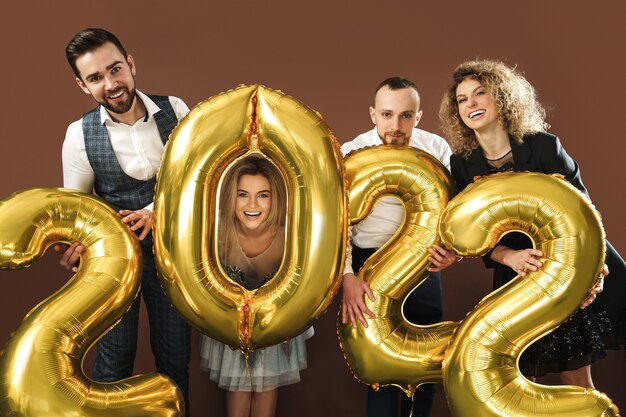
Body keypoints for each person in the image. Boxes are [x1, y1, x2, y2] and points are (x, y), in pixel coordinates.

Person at [438, 59, 626, 388]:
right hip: (516, 274)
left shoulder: (543, 146)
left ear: (502, 97)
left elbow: (586, 212)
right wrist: (509, 257)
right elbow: (470, 235)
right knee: (514, 380)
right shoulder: (462, 164)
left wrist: (593, 270)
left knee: (576, 379)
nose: (471, 104)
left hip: (567, 265)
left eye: (480, 93)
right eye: (462, 99)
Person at [58, 28, 192, 414]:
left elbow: (196, 180)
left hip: (172, 256)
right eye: (96, 78)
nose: (111, 84)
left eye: (115, 69)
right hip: (116, 262)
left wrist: (155, 210)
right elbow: (80, 210)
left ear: (131, 64)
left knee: (174, 360)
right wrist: (77, 244)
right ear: (83, 85)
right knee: (113, 363)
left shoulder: (176, 110)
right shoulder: (78, 136)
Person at [340, 77, 456, 417]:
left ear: (418, 117)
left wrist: (455, 252)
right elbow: (339, 224)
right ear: (373, 114)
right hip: (368, 263)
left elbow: (457, 213)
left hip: (422, 264)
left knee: (426, 361)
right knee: (381, 370)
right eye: (388, 114)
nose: (396, 125)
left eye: (406, 116)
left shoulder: (436, 150)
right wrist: (347, 277)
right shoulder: (351, 152)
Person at [199, 155, 312, 417]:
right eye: (243, 195)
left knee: (266, 385)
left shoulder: (288, 236)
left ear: (275, 199)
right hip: (231, 326)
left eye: (263, 195)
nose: (252, 204)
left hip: (273, 326)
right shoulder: (218, 234)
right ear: (232, 197)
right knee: (238, 387)